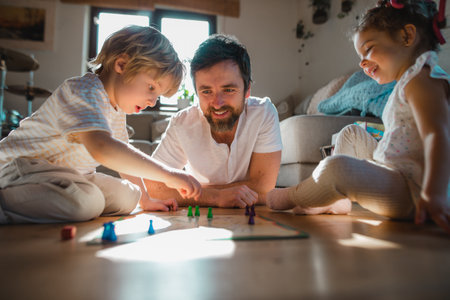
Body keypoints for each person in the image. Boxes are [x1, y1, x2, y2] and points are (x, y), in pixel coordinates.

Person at [267, 0, 450, 234]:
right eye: (360, 55)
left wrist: (433, 194)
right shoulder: (412, 79)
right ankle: (334, 200)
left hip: (414, 192)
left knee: (336, 167)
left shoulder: (422, 81)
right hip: (400, 173)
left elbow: (437, 135)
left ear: (407, 36)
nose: (362, 62)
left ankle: (293, 194)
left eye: (369, 48)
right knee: (351, 133)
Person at [0, 25, 201, 224]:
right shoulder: (83, 91)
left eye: (157, 95)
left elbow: (124, 156)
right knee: (87, 203)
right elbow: (102, 148)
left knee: (130, 196)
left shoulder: (115, 109)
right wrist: (168, 175)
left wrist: (146, 200)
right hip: (19, 169)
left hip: (68, 175)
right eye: (151, 87)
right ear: (121, 65)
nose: (152, 101)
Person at [144, 34, 282, 208]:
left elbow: (263, 187)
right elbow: (153, 186)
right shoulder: (182, 123)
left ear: (247, 90)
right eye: (206, 92)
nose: (217, 103)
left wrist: (199, 193)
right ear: (196, 93)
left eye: (229, 90)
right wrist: (215, 197)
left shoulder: (264, 113)